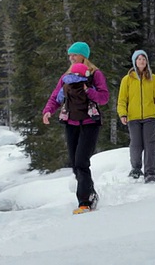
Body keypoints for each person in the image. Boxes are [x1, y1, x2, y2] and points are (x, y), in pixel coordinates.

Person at [42, 42, 109, 214]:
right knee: (75, 165)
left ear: (83, 56)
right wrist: (48, 111)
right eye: (69, 55)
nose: (71, 58)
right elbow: (56, 97)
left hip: (90, 123)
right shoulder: (66, 76)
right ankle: (91, 193)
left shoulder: (95, 74)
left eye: (74, 55)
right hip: (71, 123)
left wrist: (87, 91)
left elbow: (104, 98)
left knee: (81, 162)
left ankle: (84, 202)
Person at [117, 50, 155, 183]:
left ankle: (150, 172)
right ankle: (136, 168)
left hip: (150, 117)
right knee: (136, 144)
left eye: (144, 59)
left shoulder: (154, 79)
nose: (141, 61)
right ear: (134, 62)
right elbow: (122, 99)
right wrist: (122, 113)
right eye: (139, 59)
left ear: (147, 62)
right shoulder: (127, 80)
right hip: (133, 117)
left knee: (150, 144)